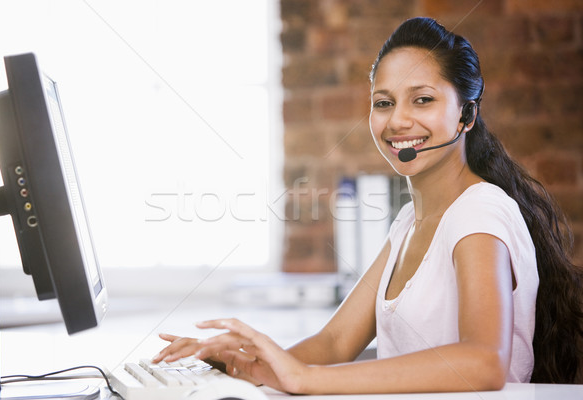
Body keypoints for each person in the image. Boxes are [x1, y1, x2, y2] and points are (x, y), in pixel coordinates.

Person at [152, 17, 583, 393]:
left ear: (466, 116)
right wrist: (245, 364)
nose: (398, 121)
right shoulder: (410, 221)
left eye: (423, 99)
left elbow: (484, 362)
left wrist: (307, 379)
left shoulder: (479, 212)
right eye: (384, 103)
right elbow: (336, 343)